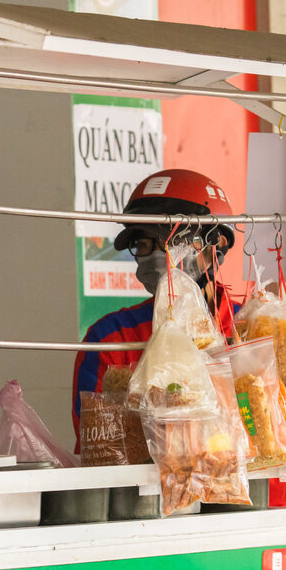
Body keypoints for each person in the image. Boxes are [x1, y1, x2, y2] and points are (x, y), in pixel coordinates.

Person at [71, 168, 237, 439]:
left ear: (214, 245)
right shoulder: (111, 339)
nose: (159, 255)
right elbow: (98, 452)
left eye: (173, 240)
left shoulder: (254, 333)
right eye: (144, 243)